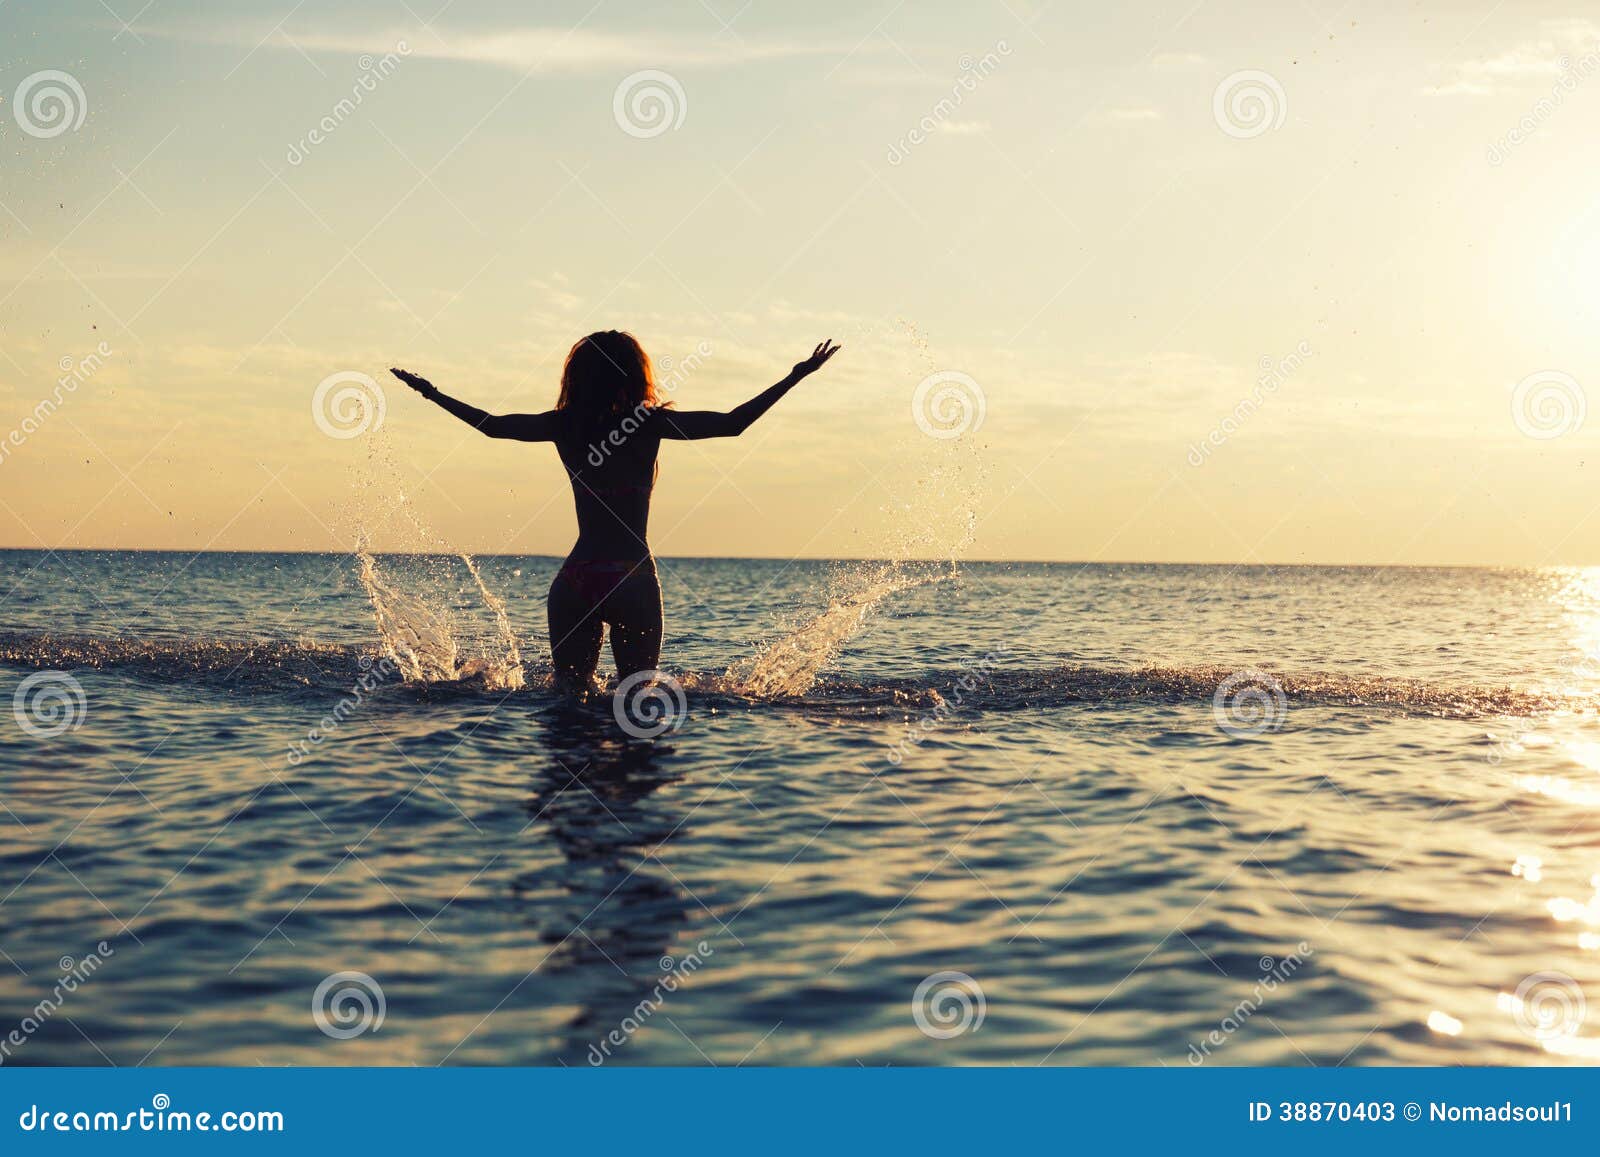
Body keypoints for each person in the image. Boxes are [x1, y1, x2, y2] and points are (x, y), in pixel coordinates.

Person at [391, 332, 841, 690]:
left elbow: (491, 427)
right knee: (636, 702)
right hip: (631, 577)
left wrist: (432, 394)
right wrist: (795, 375)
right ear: (634, 373)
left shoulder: (563, 424)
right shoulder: (650, 424)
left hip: (577, 578)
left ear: (578, 377)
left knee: (569, 703)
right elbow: (733, 424)